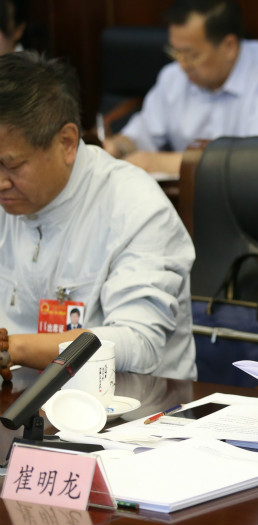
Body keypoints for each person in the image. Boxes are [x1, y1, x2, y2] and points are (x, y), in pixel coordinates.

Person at [0, 52, 196, 380]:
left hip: (130, 403)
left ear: (66, 143)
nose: (1, 182)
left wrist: (11, 348)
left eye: (12, 165)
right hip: (17, 394)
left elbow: (138, 344)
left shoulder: (135, 206)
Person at [103, 0, 258, 176]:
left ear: (229, 46)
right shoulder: (173, 77)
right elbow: (143, 133)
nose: (182, 65)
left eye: (191, 55)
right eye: (176, 52)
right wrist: (119, 147)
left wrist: (160, 163)